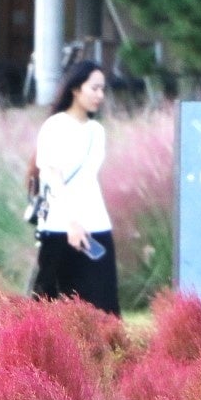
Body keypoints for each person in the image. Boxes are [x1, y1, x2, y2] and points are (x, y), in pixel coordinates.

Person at [33, 59, 119, 316]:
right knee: (54, 309)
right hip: (60, 228)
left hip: (96, 226)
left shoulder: (97, 131)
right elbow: (52, 176)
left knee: (103, 307)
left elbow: (89, 180)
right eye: (94, 88)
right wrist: (72, 222)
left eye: (103, 89)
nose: (99, 95)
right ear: (76, 89)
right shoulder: (55, 126)